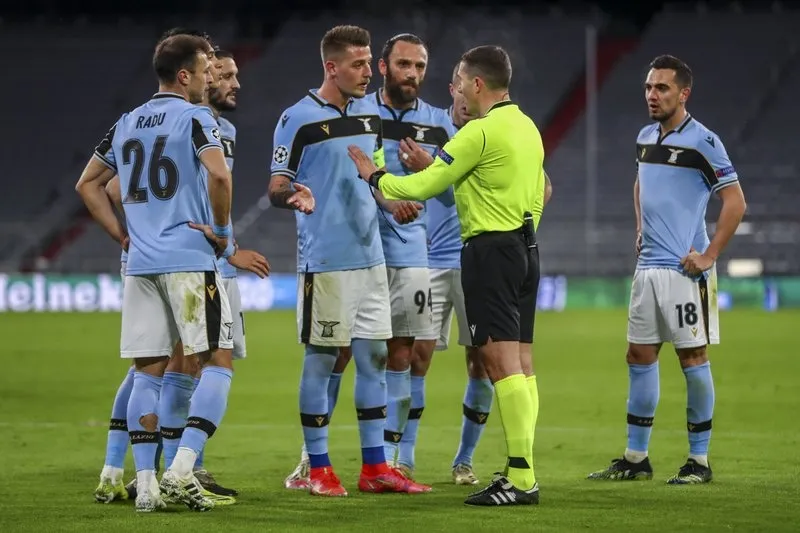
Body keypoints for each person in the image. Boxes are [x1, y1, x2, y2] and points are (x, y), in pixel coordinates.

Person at [348, 44, 545, 506]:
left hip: (489, 251)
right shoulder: (528, 128)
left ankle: (520, 480)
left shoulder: (478, 133)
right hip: (525, 246)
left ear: (477, 85)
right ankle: (524, 469)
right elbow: (538, 194)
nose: (453, 88)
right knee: (522, 365)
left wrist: (373, 176)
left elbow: (420, 186)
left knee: (499, 366)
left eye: (458, 80)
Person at [268, 24, 429, 497]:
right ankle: (317, 468)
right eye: (357, 64)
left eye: (367, 63)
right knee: (322, 359)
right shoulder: (296, 118)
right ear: (331, 67)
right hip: (326, 260)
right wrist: (291, 196)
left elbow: (371, 176)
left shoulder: (368, 114)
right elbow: (276, 183)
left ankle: (375, 468)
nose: (366, 73)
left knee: (375, 357)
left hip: (370, 257)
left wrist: (389, 200)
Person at [76, 33, 235, 513]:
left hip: (140, 263)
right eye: (206, 69)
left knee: (146, 372)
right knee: (217, 361)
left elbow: (88, 184)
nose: (210, 77)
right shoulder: (195, 117)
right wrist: (223, 232)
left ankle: (145, 487)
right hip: (188, 257)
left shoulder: (125, 123)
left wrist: (122, 236)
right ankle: (183, 469)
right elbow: (220, 175)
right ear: (184, 75)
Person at [587, 55, 746, 485]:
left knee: (693, 358)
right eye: (648, 88)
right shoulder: (645, 137)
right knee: (638, 356)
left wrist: (710, 255)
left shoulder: (704, 142)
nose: (652, 95)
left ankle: (699, 461)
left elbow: (735, 202)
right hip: (647, 270)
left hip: (684, 272)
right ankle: (636, 458)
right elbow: (641, 182)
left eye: (662, 88)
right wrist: (640, 226)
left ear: (683, 93)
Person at [401, 62, 554, 485]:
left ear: (476, 85)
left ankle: (475, 462)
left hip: (484, 254)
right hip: (434, 259)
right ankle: (406, 459)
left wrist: (404, 175)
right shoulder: (433, 125)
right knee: (419, 357)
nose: (463, 99)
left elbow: (543, 186)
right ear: (453, 90)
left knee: (488, 363)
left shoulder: (487, 132)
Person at [365, 33, 448, 478]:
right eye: (403, 64)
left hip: (414, 254)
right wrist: (386, 200)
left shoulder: (438, 123)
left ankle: (395, 458)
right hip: (360, 250)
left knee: (404, 355)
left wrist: (428, 169)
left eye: (419, 66)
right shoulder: (361, 114)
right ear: (383, 67)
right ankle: (311, 456)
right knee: (339, 354)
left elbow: (455, 188)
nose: (412, 73)